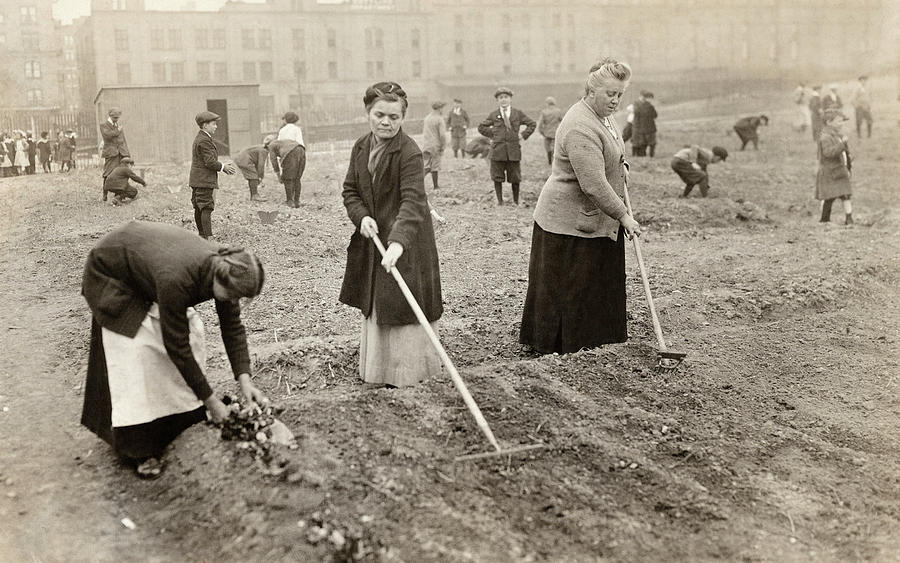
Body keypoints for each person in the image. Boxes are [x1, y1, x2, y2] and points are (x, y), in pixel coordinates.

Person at [80, 220, 268, 479]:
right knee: (139, 353)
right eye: (230, 295)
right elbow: (176, 346)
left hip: (145, 268)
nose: (230, 301)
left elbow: (232, 327)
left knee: (190, 336)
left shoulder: (228, 270)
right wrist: (212, 402)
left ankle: (178, 419)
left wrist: (244, 380)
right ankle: (138, 448)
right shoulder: (177, 277)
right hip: (110, 275)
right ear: (219, 278)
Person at [519, 58, 642, 354]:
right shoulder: (579, 125)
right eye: (610, 94)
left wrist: (621, 164)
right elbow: (593, 184)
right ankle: (563, 346)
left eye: (620, 95)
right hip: (568, 222)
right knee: (569, 288)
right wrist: (624, 216)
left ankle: (596, 341)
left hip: (593, 217)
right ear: (591, 90)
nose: (615, 100)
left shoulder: (604, 116)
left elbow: (613, 148)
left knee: (595, 285)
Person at [339, 81, 443, 387]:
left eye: (394, 117)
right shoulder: (361, 146)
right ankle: (379, 371)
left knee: (402, 305)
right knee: (380, 302)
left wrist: (398, 242)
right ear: (368, 112)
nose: (386, 122)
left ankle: (409, 374)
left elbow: (413, 201)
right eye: (379, 114)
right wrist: (362, 217)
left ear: (403, 118)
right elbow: (350, 191)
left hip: (408, 242)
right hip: (375, 239)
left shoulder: (408, 152)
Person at [477, 87, 536, 205]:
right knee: (497, 177)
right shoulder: (494, 115)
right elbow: (481, 127)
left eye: (506, 97)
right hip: (498, 151)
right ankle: (500, 201)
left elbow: (532, 124)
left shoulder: (517, 113)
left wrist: (523, 135)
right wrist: (494, 135)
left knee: (515, 178)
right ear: (497, 100)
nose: (503, 100)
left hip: (513, 151)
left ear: (510, 99)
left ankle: (515, 201)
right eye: (500, 98)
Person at [190, 111, 236, 240]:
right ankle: (208, 238)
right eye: (214, 124)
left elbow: (206, 160)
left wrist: (221, 164)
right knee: (206, 207)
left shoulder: (201, 138)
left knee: (199, 208)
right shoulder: (205, 140)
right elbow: (209, 162)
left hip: (197, 179)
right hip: (204, 179)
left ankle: (202, 235)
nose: (216, 126)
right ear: (205, 125)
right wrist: (223, 167)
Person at [816, 109, 853, 225]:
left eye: (842, 121)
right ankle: (824, 219)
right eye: (838, 122)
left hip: (839, 170)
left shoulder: (837, 135)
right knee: (829, 197)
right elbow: (828, 153)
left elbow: (843, 152)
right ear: (828, 122)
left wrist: (849, 158)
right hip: (830, 172)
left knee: (846, 195)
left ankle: (849, 218)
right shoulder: (825, 137)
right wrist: (842, 145)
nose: (841, 124)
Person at [100, 108, 131, 202]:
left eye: (117, 118)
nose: (116, 119)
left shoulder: (118, 125)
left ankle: (118, 194)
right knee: (107, 173)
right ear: (110, 116)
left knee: (121, 173)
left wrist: (127, 153)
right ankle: (104, 194)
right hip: (110, 153)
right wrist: (118, 130)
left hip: (121, 153)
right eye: (114, 118)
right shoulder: (104, 125)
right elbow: (107, 136)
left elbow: (123, 140)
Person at [233, 135, 274, 202]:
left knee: (252, 176)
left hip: (242, 158)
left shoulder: (261, 148)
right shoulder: (263, 151)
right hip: (244, 159)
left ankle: (254, 194)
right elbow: (261, 165)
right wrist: (261, 176)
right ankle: (254, 195)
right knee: (253, 176)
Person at [268, 137, 306, 208]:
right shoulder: (282, 142)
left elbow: (274, 161)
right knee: (297, 178)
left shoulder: (271, 145)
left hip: (290, 152)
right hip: (301, 149)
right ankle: (297, 201)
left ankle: (290, 201)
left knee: (287, 179)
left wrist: (279, 176)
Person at [422, 100, 448, 190]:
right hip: (435, 145)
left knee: (426, 166)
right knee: (435, 166)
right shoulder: (439, 119)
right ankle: (436, 186)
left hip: (426, 145)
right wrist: (443, 146)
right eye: (442, 108)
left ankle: (416, 183)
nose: (442, 110)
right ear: (440, 108)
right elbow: (442, 135)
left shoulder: (427, 118)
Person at [537, 96, 564, 165]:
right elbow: (563, 122)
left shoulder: (544, 112)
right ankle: (555, 161)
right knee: (555, 147)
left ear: (547, 103)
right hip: (556, 133)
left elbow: (540, 124)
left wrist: (542, 132)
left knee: (547, 147)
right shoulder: (558, 111)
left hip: (547, 133)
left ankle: (549, 161)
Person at [631, 90, 658, 157]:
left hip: (644, 128)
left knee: (645, 143)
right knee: (649, 143)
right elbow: (655, 115)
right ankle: (649, 155)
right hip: (647, 127)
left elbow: (654, 115)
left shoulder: (641, 105)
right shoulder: (649, 106)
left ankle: (645, 155)